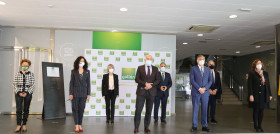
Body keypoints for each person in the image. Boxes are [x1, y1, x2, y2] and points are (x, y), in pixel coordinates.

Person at [134, 55, 160, 133]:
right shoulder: (140, 68)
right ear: (145, 59)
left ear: (152, 60)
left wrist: (151, 85)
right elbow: (137, 79)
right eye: (147, 59)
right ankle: (136, 127)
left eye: (150, 59)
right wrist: (145, 84)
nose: (149, 60)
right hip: (141, 92)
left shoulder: (155, 69)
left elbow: (158, 80)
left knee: (149, 111)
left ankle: (146, 127)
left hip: (151, 92)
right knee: (138, 110)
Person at [248, 59, 272, 133]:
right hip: (256, 95)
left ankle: (260, 126)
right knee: (256, 110)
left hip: (264, 94)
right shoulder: (252, 73)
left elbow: (267, 84)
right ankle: (256, 127)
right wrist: (251, 94)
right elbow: (250, 85)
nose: (259, 64)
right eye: (258, 63)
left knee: (262, 110)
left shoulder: (265, 73)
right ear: (255, 65)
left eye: (260, 63)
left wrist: (270, 94)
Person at [190, 55, 212, 132]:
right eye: (200, 59)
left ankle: (204, 126)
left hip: (205, 93)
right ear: (197, 60)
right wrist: (199, 88)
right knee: (195, 109)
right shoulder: (193, 69)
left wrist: (205, 88)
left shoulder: (208, 70)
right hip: (196, 92)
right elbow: (192, 80)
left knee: (205, 109)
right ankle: (194, 126)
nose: (202, 60)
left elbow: (210, 81)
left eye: (203, 59)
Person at [13, 59, 35, 133]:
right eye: (23, 65)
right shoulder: (17, 74)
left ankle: (24, 124)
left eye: (26, 65)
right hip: (18, 94)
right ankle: (18, 125)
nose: (25, 66)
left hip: (28, 94)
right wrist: (18, 92)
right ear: (21, 65)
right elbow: (14, 84)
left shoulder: (31, 74)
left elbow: (33, 85)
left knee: (26, 109)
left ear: (29, 66)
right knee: (19, 110)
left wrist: (27, 92)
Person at [69, 56, 91, 133]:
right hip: (75, 94)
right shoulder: (73, 71)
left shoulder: (87, 71)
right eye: (80, 61)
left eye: (83, 61)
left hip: (83, 94)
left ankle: (80, 124)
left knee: (81, 109)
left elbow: (88, 83)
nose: (82, 62)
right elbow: (71, 83)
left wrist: (88, 93)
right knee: (75, 109)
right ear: (77, 62)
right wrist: (71, 93)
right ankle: (76, 125)